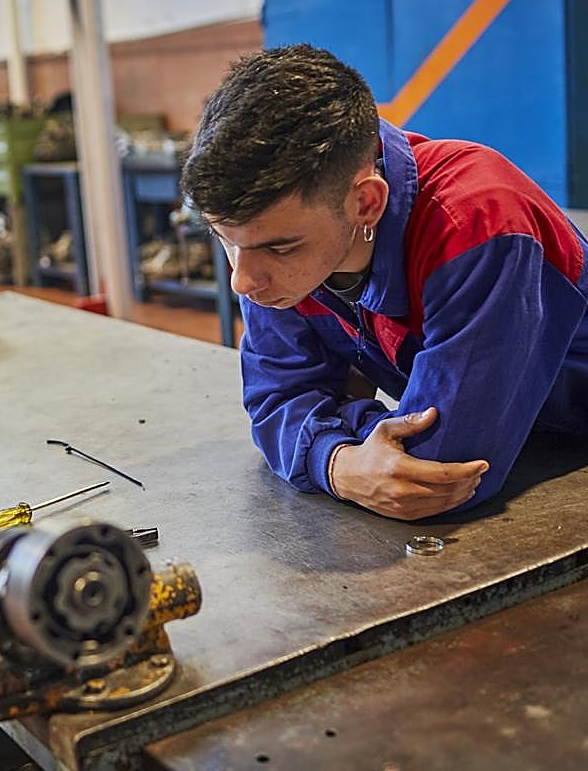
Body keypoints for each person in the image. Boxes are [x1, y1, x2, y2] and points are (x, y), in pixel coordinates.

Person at [180, 44, 588, 521]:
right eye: (225, 240)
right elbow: (277, 400)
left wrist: (333, 424)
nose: (241, 281)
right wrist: (339, 462)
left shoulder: (477, 222)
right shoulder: (276, 243)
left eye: (280, 247)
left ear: (367, 203)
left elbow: (439, 473)